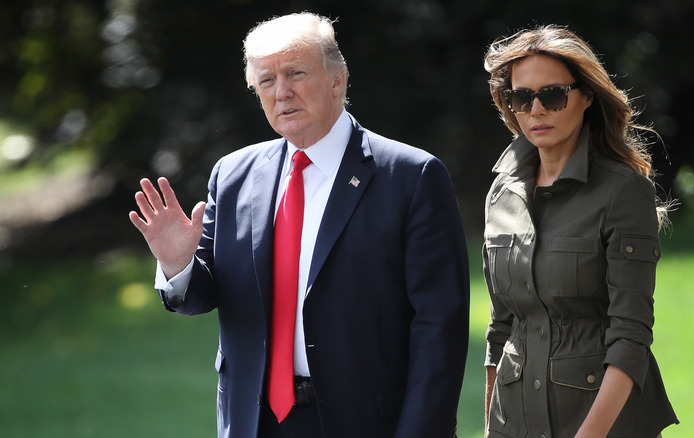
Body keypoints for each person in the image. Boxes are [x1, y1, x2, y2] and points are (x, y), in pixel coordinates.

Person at [129, 12, 469, 438]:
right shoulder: (234, 175)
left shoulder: (410, 176)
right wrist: (178, 265)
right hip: (254, 423)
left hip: (367, 423)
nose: (282, 92)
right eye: (266, 81)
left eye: (296, 73)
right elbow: (202, 296)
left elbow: (440, 329)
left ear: (337, 81)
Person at [480, 25, 678, 438]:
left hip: (603, 425)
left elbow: (631, 336)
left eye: (552, 95)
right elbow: (502, 329)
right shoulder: (501, 193)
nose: (536, 110)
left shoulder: (623, 191)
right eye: (522, 97)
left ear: (586, 96)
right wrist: (490, 428)